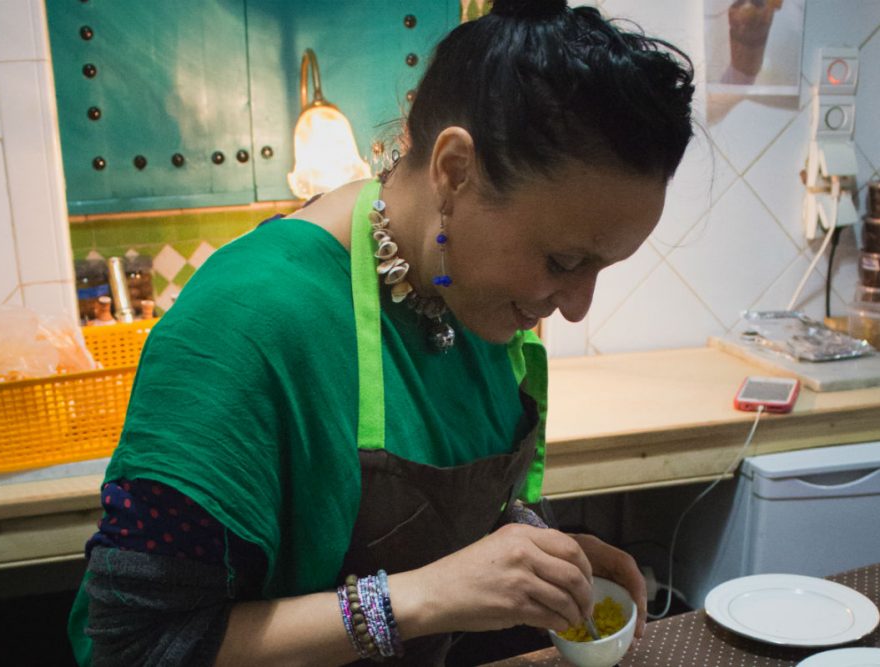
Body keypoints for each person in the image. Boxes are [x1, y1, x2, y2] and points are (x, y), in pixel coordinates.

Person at [67, 0, 695, 664]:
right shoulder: (248, 325)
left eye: (602, 268)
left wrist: (535, 552)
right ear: (454, 171)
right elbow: (132, 643)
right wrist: (421, 597)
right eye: (563, 262)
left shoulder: (475, 301)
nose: (575, 307)